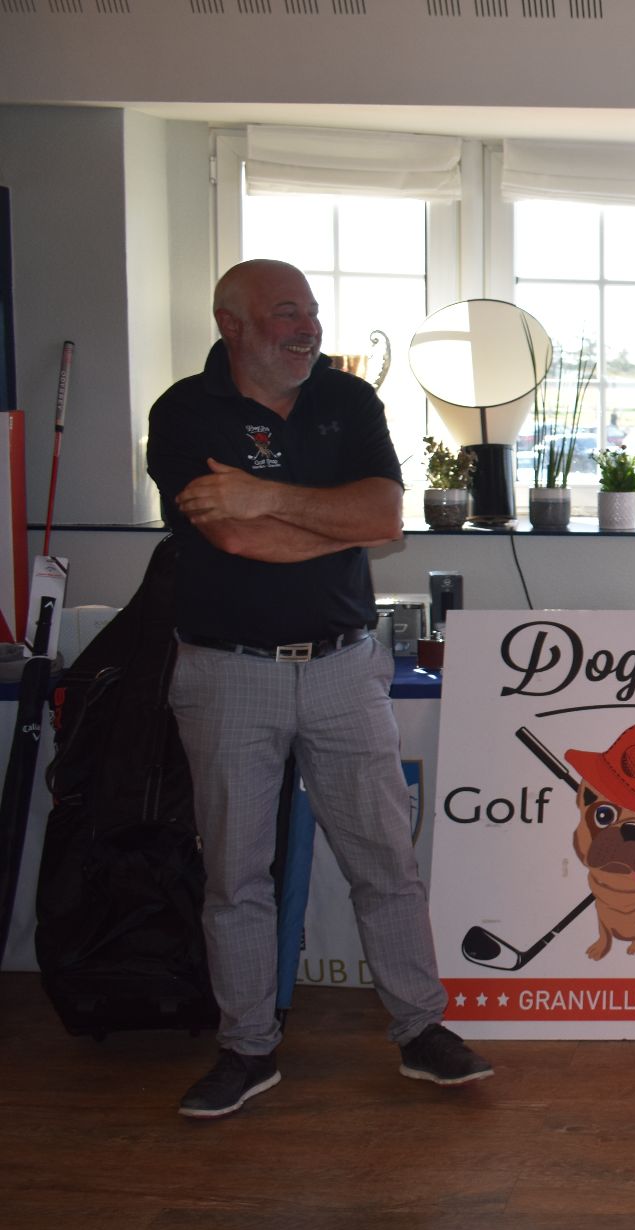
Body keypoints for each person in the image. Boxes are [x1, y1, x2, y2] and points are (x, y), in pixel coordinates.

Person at [149, 259, 492, 1119]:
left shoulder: (348, 399)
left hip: (343, 667)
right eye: (284, 314)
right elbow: (235, 541)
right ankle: (247, 1047)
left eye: (310, 311)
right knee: (235, 876)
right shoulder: (184, 412)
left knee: (385, 861)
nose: (306, 329)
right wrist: (322, 519)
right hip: (228, 673)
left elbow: (382, 519)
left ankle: (421, 1030)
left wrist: (260, 495)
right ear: (231, 323)